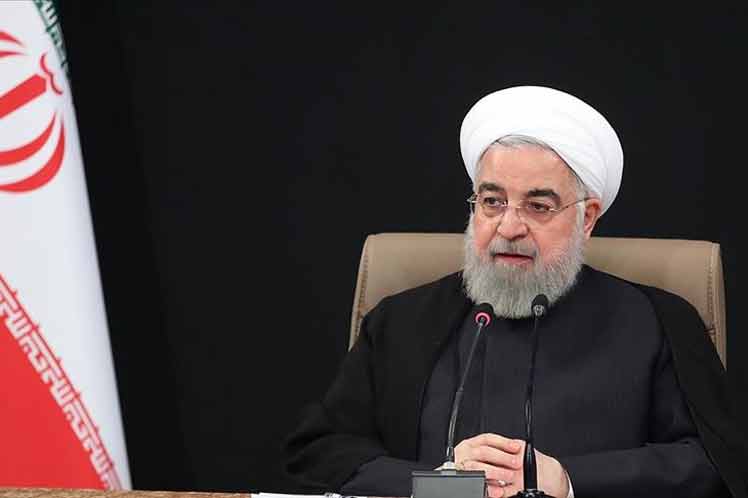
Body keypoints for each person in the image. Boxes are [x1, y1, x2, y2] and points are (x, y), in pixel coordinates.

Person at [283, 86, 746, 497]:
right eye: (492, 201)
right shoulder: (401, 321)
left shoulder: (655, 322)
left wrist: (568, 480)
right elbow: (321, 451)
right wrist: (440, 485)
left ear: (586, 218)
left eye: (538, 206)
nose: (509, 227)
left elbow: (712, 465)